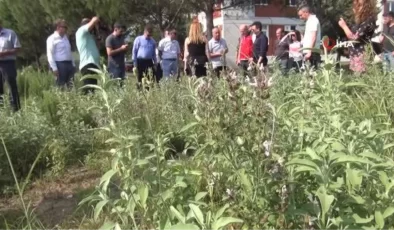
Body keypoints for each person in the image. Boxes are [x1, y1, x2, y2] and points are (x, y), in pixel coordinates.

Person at [338, 0, 377, 73]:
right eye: (356, 6)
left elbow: (354, 37)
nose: (355, 8)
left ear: (366, 7)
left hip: (362, 55)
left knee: (361, 79)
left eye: (359, 6)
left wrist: (344, 26)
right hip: (355, 54)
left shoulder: (369, 19)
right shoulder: (359, 22)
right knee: (356, 78)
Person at [47, 19, 75, 89]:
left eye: (66, 27)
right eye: (64, 27)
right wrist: (54, 68)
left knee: (71, 85)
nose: (66, 29)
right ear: (58, 27)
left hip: (69, 64)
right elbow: (50, 54)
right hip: (60, 64)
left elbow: (69, 52)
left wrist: (73, 64)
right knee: (60, 86)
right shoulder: (52, 38)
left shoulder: (66, 38)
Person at [76, 17, 101, 94]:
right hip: (88, 64)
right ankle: (84, 104)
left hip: (93, 64)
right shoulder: (81, 31)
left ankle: (88, 103)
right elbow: (95, 19)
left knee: (92, 89)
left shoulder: (89, 36)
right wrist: (95, 22)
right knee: (88, 89)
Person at [0, 22, 21, 111]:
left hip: (8, 63)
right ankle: (2, 110)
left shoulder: (10, 33)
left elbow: (18, 48)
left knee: (11, 86)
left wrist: (4, 53)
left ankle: (15, 109)